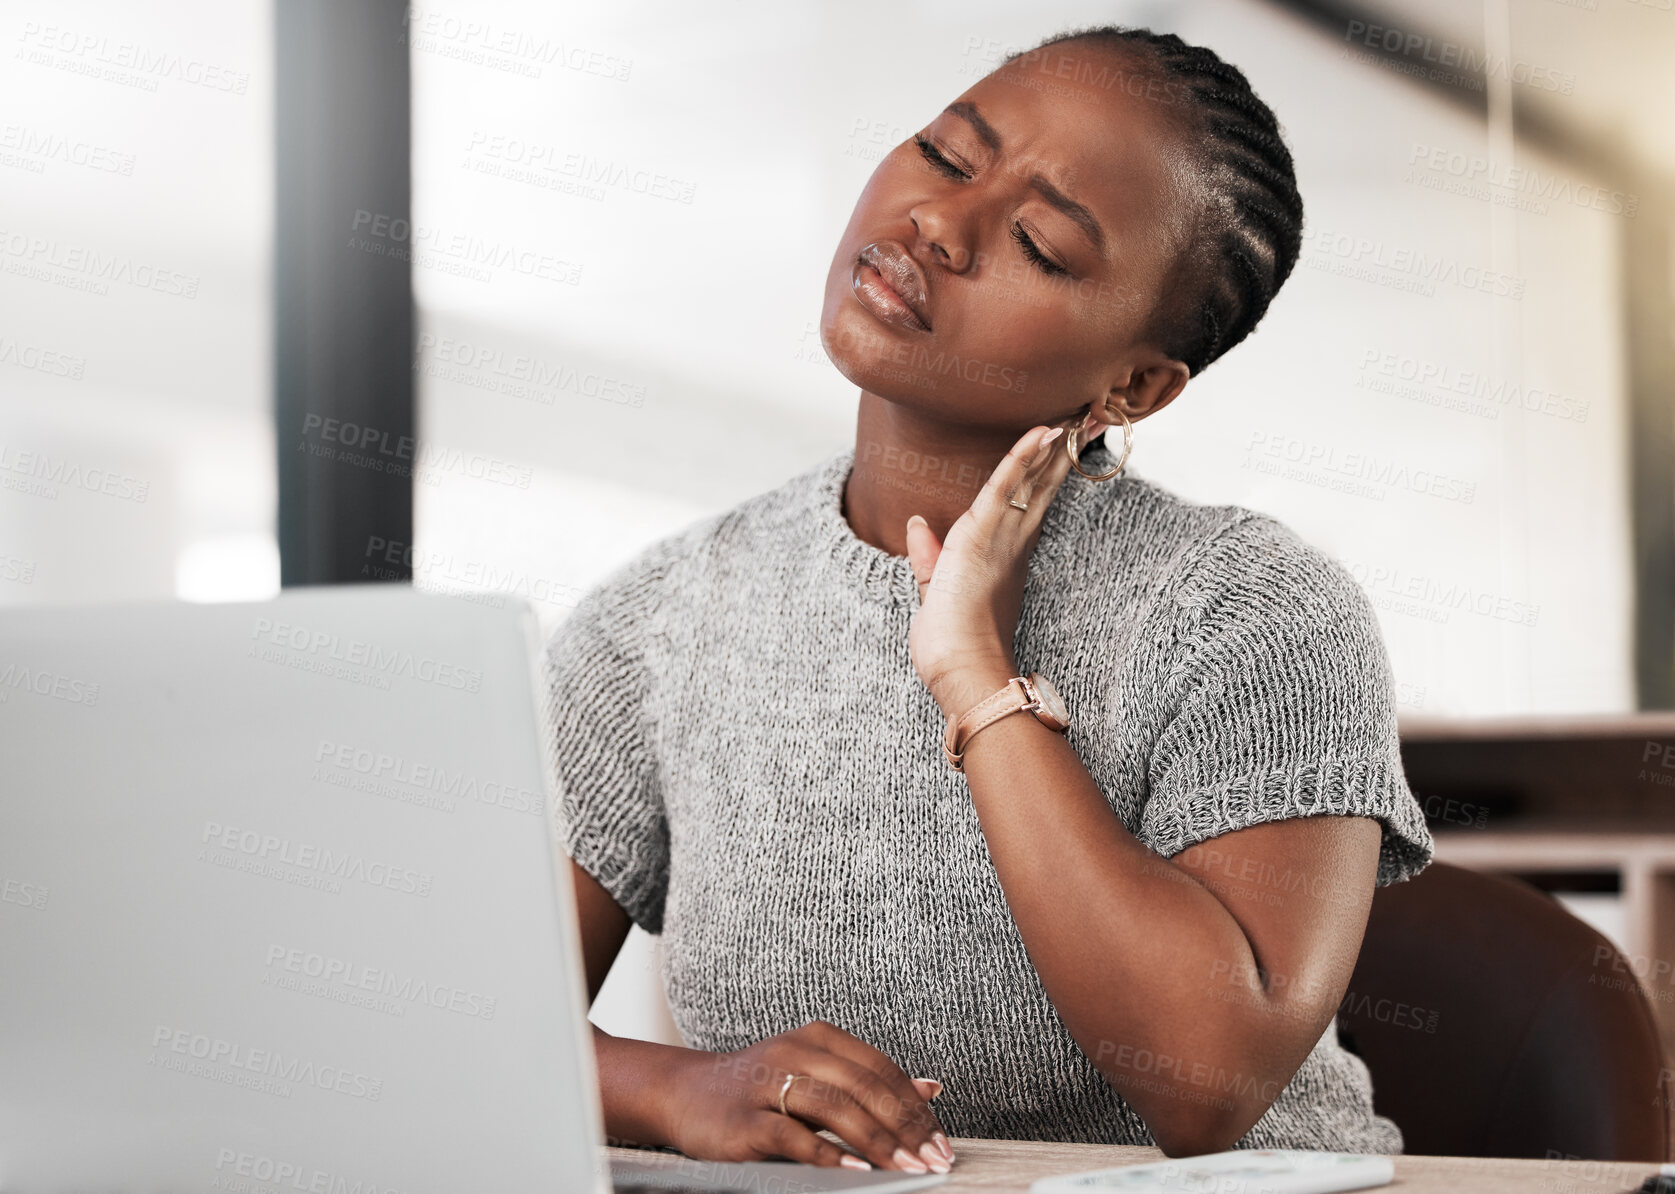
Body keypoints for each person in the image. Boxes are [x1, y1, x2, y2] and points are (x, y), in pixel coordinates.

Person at [544, 23, 1434, 1174]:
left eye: (1040, 242)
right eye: (945, 155)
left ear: (1134, 384)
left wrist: (973, 672)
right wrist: (671, 1087)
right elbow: (451, 1026)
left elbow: (1205, 1083)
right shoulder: (661, 617)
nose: (937, 226)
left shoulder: (1252, 612)